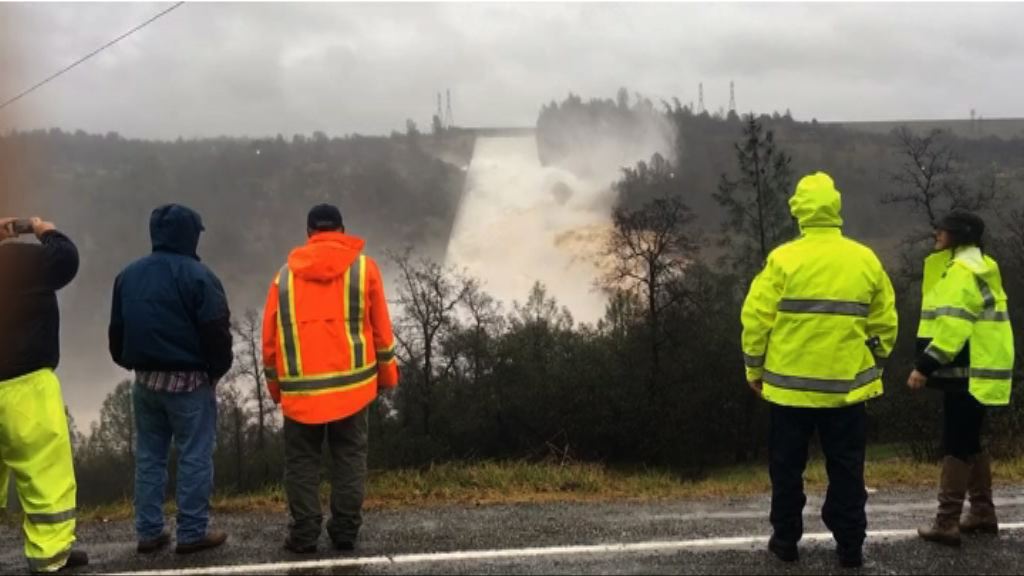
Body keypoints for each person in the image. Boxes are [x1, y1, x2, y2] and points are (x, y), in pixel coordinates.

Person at [741, 172, 898, 568]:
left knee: (786, 469)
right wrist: (872, 363)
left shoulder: (783, 259)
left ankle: (786, 540)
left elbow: (756, 319)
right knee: (847, 469)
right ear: (836, 210)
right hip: (846, 390)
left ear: (799, 213)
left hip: (788, 391)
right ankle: (849, 546)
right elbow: (885, 323)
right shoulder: (865, 259)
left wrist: (753, 369)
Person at [262, 204, 399, 554]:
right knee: (349, 457)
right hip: (352, 389)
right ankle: (345, 532)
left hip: (301, 394)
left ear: (309, 233)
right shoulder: (365, 270)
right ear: (342, 229)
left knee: (302, 463)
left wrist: (276, 389)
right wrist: (386, 378)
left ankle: (304, 534)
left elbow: (270, 343)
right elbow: (381, 331)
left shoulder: (283, 277)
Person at [109, 204, 233, 555]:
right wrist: (215, 372)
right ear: (190, 234)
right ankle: (192, 532)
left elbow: (116, 334)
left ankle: (149, 533)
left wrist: (131, 364)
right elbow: (217, 333)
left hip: (145, 382)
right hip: (190, 384)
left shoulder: (127, 275)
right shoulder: (199, 276)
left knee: (149, 457)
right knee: (195, 455)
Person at [908, 211, 1014, 546]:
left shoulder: (961, 272)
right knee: (968, 438)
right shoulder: (978, 264)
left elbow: (953, 327)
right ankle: (982, 512)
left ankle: (947, 521)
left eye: (944, 230)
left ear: (959, 236)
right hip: (977, 367)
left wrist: (924, 365)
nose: (937, 233)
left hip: (966, 369)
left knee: (956, 440)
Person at [0, 216, 88, 573]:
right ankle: (50, 556)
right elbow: (66, 259)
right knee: (45, 473)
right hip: (28, 385)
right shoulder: (20, 262)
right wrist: (42, 228)